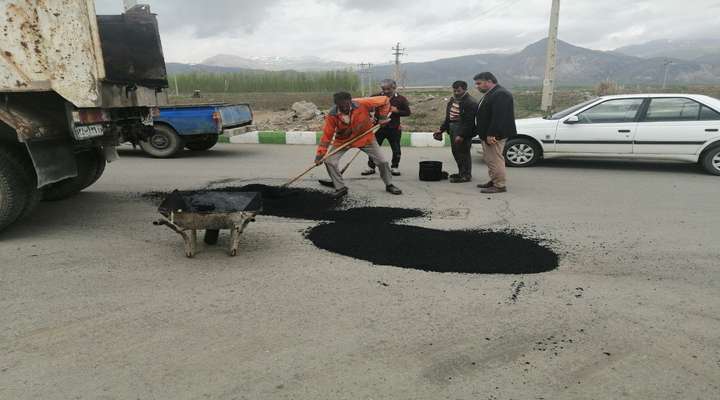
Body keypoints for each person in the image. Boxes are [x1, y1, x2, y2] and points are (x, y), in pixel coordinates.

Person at [315, 92, 403, 197]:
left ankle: (389, 184)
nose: (344, 108)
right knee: (329, 161)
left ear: (351, 101)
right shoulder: (332, 115)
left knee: (382, 161)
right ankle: (340, 187)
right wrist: (320, 154)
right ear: (336, 104)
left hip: (365, 138)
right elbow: (327, 136)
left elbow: (385, 100)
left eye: (346, 105)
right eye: (340, 106)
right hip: (343, 141)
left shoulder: (362, 103)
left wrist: (383, 118)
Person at [473, 72, 517, 193]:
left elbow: (499, 117)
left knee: (495, 160)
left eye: (479, 83)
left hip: (494, 135)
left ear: (489, 81)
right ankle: (494, 180)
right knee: (490, 159)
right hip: (487, 134)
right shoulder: (492, 93)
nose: (477, 86)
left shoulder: (500, 94)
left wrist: (492, 134)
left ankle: (499, 185)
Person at [361, 79, 411, 177]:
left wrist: (397, 111)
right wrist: (370, 117)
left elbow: (407, 112)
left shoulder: (401, 99)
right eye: (384, 89)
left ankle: (394, 167)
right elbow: (365, 107)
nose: (386, 91)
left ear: (394, 87)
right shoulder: (376, 97)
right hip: (378, 128)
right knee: (373, 148)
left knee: (396, 148)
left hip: (394, 128)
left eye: (389, 89)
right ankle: (371, 167)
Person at [433, 81, 478, 183]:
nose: (456, 92)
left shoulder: (470, 102)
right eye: (454, 90)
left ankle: (466, 175)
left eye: (458, 91)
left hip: (462, 128)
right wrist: (441, 129)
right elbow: (448, 117)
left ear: (465, 89)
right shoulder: (453, 99)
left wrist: (462, 135)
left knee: (463, 153)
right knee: (456, 152)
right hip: (452, 127)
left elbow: (469, 122)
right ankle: (461, 172)